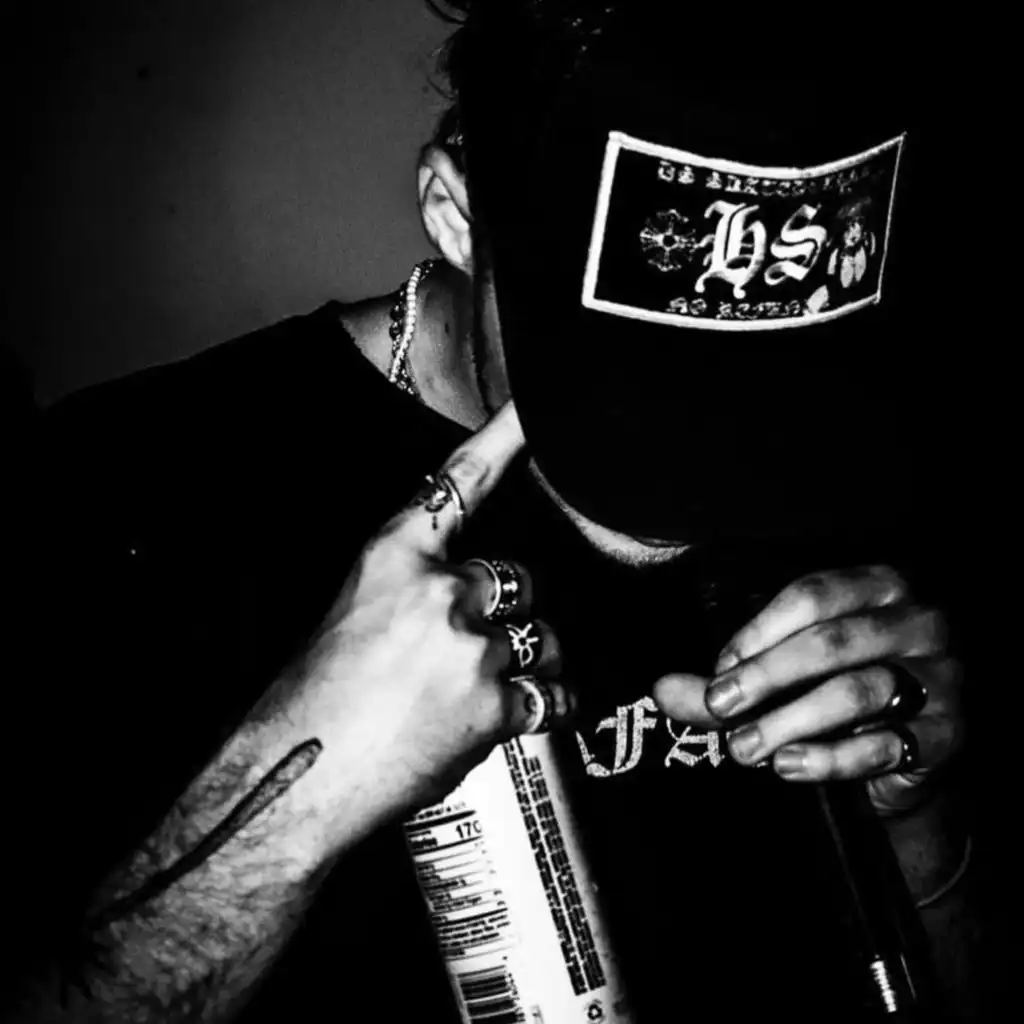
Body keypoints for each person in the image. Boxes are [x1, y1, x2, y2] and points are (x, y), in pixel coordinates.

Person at [5, 3, 990, 1021]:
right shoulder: (127, 493)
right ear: (456, 214)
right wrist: (297, 799)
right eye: (640, 372)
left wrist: (920, 828)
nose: (702, 469)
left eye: (770, 382)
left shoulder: (877, 479)